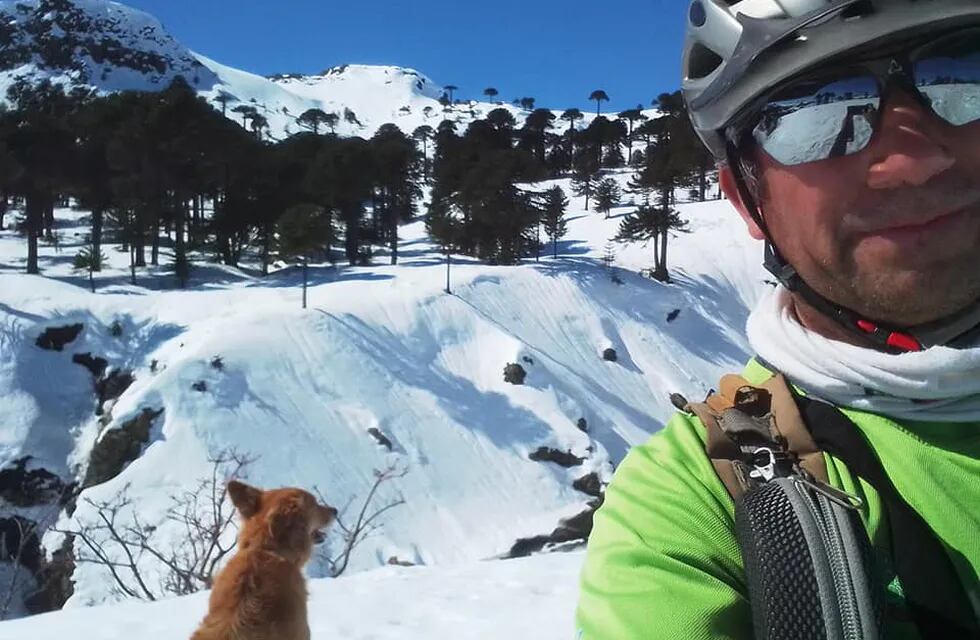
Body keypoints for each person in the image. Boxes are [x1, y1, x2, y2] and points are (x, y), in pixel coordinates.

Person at [575, 1, 980, 638]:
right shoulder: (704, 498)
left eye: (962, 78)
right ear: (745, 197)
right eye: (815, 112)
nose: (910, 160)